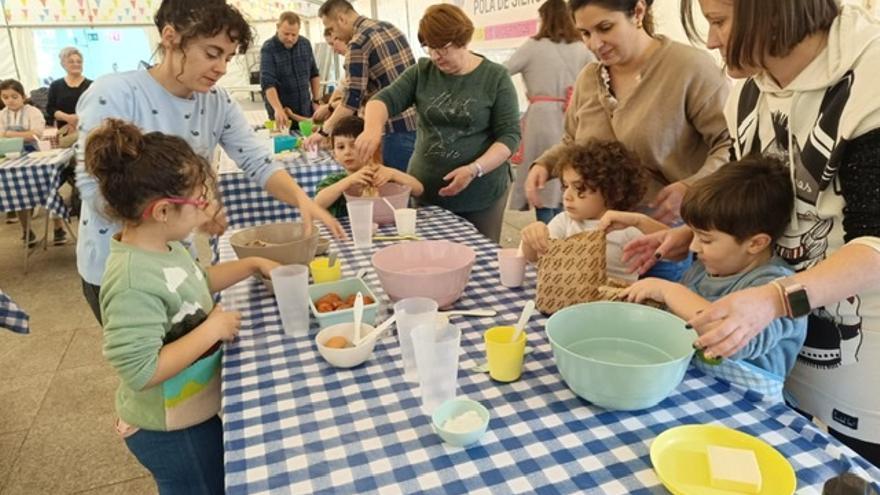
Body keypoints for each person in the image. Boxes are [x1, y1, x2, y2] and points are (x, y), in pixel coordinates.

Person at [626, 0, 880, 465]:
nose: (709, 40)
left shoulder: (871, 80)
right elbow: (754, 200)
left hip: (863, 338)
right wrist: (693, 233)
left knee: (854, 465)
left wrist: (774, 300)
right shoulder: (748, 92)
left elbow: (877, 244)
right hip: (780, 334)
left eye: (719, 22)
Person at [75, 0, 343, 324]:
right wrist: (189, 211)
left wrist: (301, 199)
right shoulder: (117, 92)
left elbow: (257, 160)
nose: (222, 68)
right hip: (119, 268)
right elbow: (94, 188)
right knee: (150, 361)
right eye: (212, 53)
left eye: (228, 58)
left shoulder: (217, 101)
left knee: (191, 360)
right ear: (171, 38)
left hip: (178, 260)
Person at [87, 118, 278, 494]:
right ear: (161, 211)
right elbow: (140, 370)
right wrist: (212, 328)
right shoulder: (131, 280)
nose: (204, 210)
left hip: (192, 411)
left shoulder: (164, 249)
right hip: (169, 427)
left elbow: (195, 285)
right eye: (197, 202)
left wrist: (252, 265)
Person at [522, 0, 730, 234]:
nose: (594, 44)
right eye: (585, 33)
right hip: (596, 229)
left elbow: (730, 145)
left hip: (667, 229)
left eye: (605, 28)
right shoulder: (589, 78)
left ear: (638, 12)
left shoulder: (690, 68)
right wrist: (545, 164)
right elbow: (572, 142)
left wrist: (691, 188)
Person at [619, 157, 807, 398]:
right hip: (694, 388)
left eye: (706, 239)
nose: (694, 246)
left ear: (756, 243)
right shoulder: (704, 269)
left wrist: (669, 291)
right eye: (693, 234)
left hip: (751, 407)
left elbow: (730, 338)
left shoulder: (778, 289)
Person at [353, 4, 520, 242]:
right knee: (429, 256)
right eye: (429, 48)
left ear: (463, 40)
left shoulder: (495, 78)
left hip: (481, 194)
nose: (435, 56)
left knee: (480, 256)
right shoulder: (422, 72)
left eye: (442, 48)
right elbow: (382, 101)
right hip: (425, 190)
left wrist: (475, 169)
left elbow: (509, 137)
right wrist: (372, 129)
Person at [505, 0, 594, 224]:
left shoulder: (533, 46)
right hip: (575, 116)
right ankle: (569, 227)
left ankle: (547, 229)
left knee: (542, 175)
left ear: (544, 18)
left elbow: (503, 70)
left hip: (540, 118)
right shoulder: (582, 47)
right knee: (570, 172)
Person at [308, 0, 417, 173]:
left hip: (392, 128)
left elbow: (351, 101)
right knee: (413, 184)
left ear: (342, 19)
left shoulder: (357, 44)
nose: (334, 35)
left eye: (331, 29)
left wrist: (323, 132)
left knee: (396, 189)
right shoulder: (389, 27)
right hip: (418, 121)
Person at [520, 140, 645, 281]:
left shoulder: (629, 231)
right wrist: (530, 240)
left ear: (612, 190)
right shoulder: (564, 221)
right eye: (565, 186)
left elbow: (663, 253)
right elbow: (536, 258)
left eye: (579, 188)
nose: (567, 196)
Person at [0, 78, 68, 246]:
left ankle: (58, 228)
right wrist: (20, 135)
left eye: (14, 96)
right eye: (5, 97)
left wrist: (8, 134)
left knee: (48, 188)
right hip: (10, 156)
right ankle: (26, 230)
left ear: (23, 96)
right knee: (16, 192)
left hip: (35, 154)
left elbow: (35, 133)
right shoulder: (1, 115)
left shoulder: (33, 112)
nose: (10, 100)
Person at [315, 116, 423, 218]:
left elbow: (418, 190)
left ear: (370, 147)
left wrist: (393, 174)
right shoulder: (334, 181)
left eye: (353, 145)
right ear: (334, 155)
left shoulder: (382, 175)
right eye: (341, 147)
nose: (347, 152)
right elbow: (317, 204)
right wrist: (349, 181)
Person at [260, 11, 321, 130]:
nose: (290, 38)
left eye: (294, 35)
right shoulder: (268, 49)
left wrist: (316, 100)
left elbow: (314, 74)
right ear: (277, 27)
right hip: (282, 113)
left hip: (305, 110)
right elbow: (268, 83)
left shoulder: (305, 44)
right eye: (286, 34)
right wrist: (277, 109)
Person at [46, 47, 92, 147]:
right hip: (65, 133)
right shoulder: (55, 85)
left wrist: (78, 120)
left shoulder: (91, 85)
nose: (76, 64)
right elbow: (50, 109)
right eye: (71, 61)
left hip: (88, 131)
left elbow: (96, 108)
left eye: (79, 61)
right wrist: (67, 118)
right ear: (63, 64)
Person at [313, 27, 349, 123]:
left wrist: (329, 107)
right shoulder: (348, 65)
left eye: (333, 44)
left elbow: (355, 99)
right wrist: (328, 109)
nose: (333, 50)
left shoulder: (357, 61)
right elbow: (339, 90)